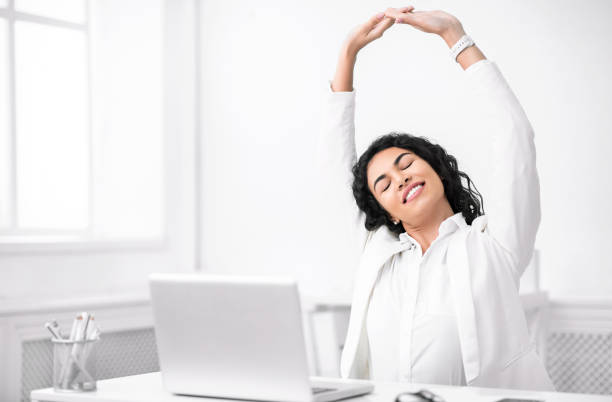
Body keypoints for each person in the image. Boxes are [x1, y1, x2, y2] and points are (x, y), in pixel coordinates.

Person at [317, 6, 555, 391]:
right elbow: (333, 174)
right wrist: (347, 55)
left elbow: (515, 139)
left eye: (406, 163)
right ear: (386, 213)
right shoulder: (375, 257)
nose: (400, 178)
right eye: (383, 184)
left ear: (437, 172)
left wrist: (455, 37)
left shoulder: (494, 246)